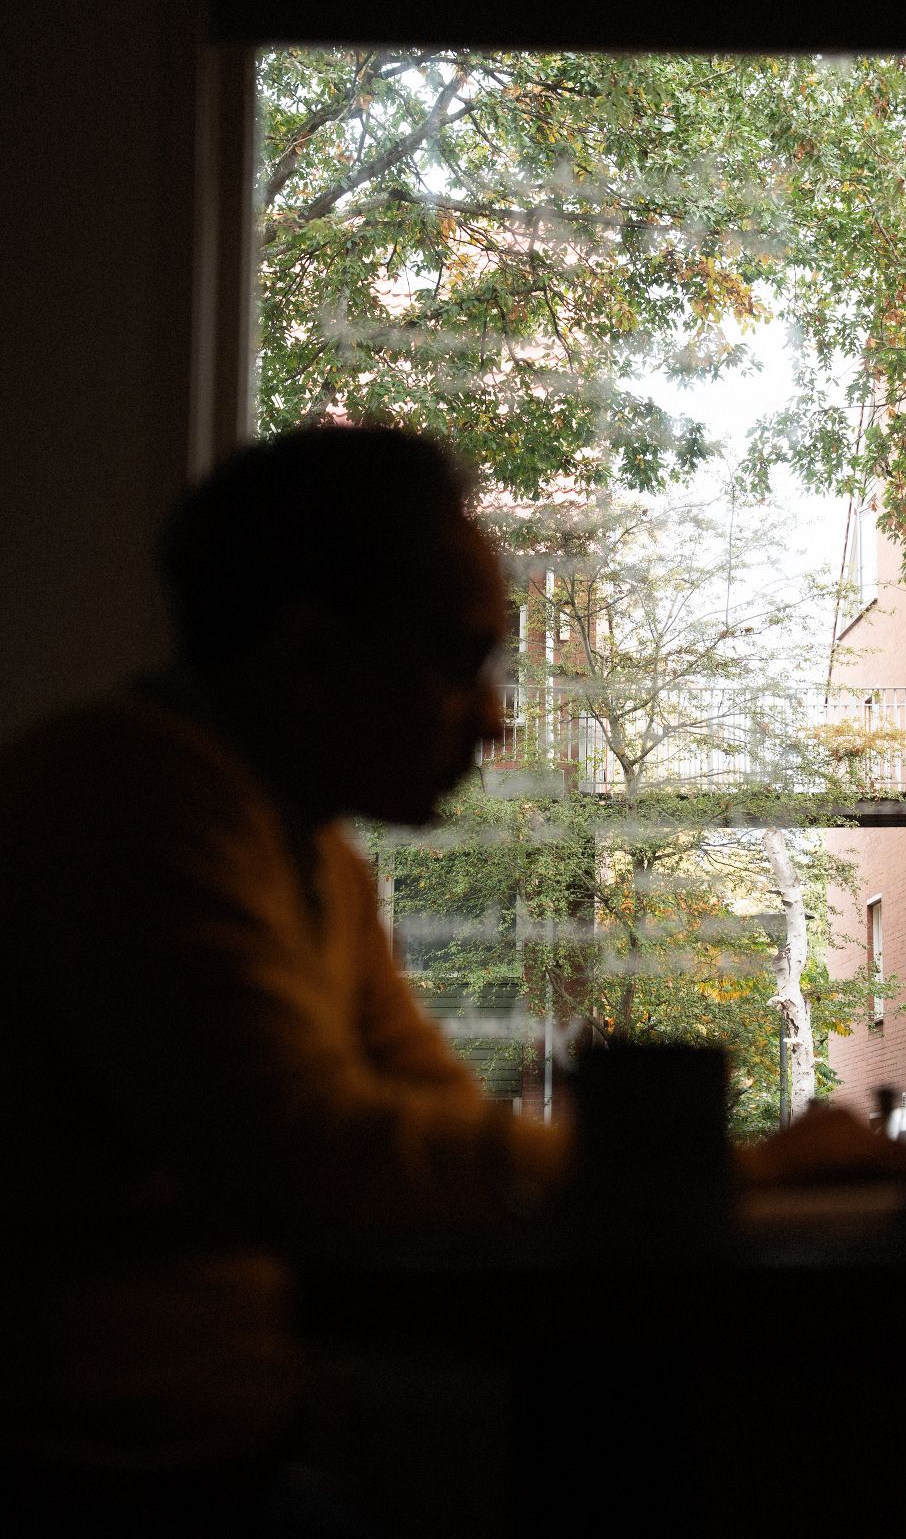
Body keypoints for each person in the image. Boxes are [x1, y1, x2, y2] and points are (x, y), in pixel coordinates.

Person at [0, 424, 565, 1526]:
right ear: (309, 657)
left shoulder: (314, 853)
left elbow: (424, 1124)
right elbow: (317, 1153)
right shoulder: (126, 793)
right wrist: (681, 1168)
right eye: (459, 662)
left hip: (220, 1457)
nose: (497, 721)